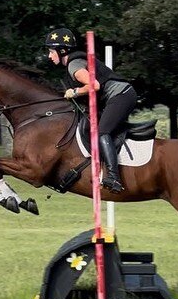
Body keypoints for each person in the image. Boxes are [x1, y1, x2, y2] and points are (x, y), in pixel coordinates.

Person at [44, 27, 138, 193]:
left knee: (102, 132)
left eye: (51, 51)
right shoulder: (73, 65)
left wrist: (74, 92)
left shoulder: (74, 65)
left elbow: (94, 85)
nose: (49, 56)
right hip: (118, 96)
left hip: (121, 95)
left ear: (62, 50)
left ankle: (114, 177)